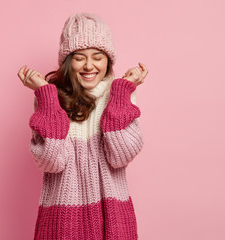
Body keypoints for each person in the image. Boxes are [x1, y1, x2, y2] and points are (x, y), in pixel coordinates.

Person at [17, 12, 148, 240]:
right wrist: (46, 96)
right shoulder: (50, 98)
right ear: (68, 62)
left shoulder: (120, 96)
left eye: (98, 56)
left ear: (108, 60)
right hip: (62, 219)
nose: (89, 65)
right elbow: (51, 161)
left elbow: (120, 156)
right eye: (79, 57)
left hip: (114, 218)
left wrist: (121, 94)